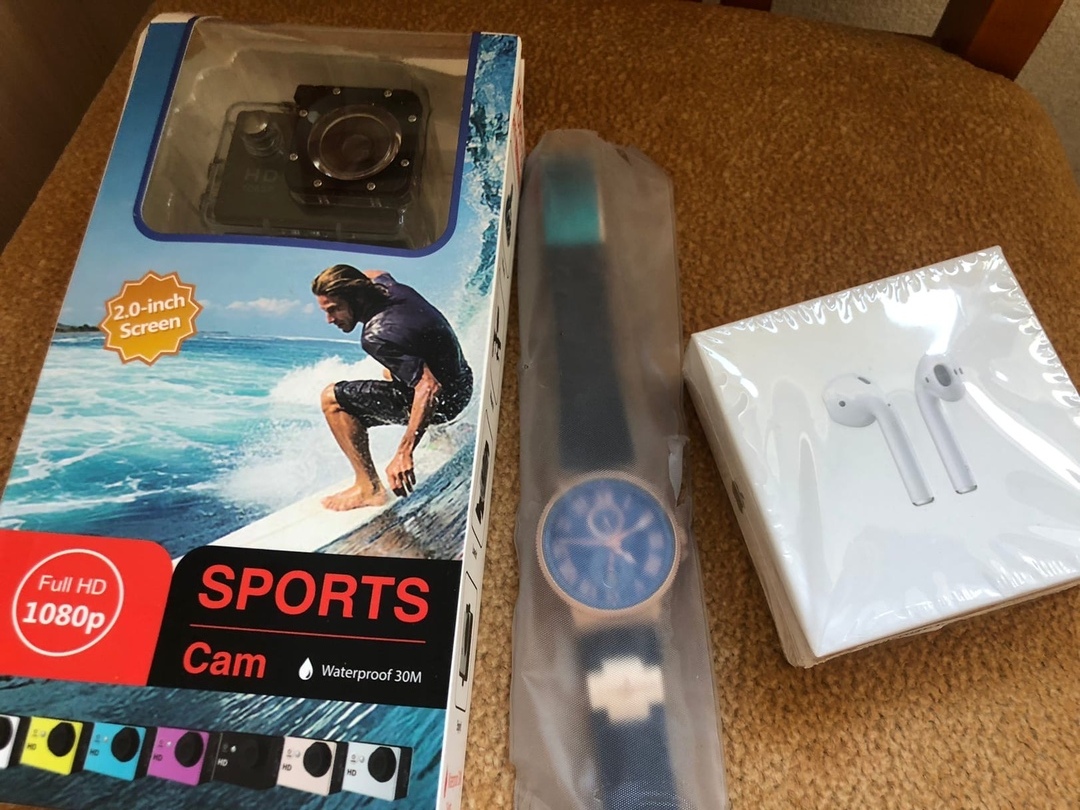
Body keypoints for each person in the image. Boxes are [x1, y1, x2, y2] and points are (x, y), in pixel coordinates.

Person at [312, 264, 472, 510]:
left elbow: (429, 387)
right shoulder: (387, 286)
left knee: (331, 399)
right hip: (463, 382)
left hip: (445, 404)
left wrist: (404, 452)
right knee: (393, 368)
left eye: (334, 309)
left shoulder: (377, 336)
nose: (330, 319)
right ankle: (440, 436)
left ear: (356, 296)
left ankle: (369, 488)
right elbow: (373, 272)